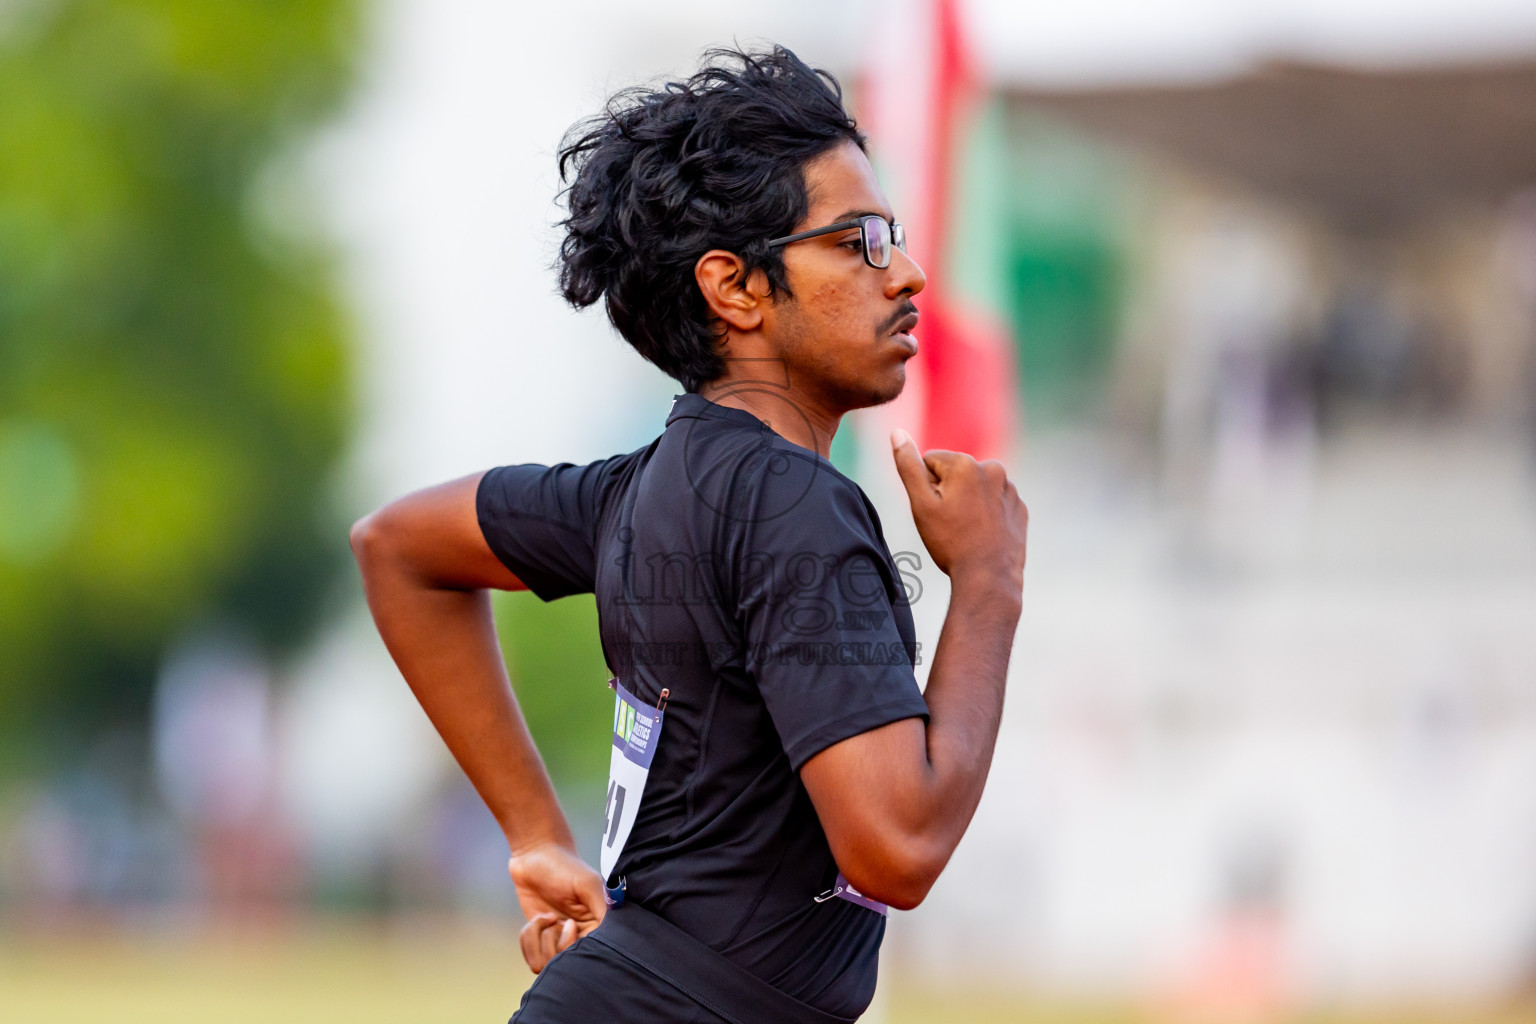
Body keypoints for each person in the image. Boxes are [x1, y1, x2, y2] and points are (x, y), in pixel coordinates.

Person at [350, 45, 1028, 1024]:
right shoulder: (796, 506)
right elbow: (897, 846)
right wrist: (991, 583)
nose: (909, 273)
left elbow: (397, 545)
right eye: (861, 240)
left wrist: (536, 833)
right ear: (736, 288)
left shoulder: (644, 488)